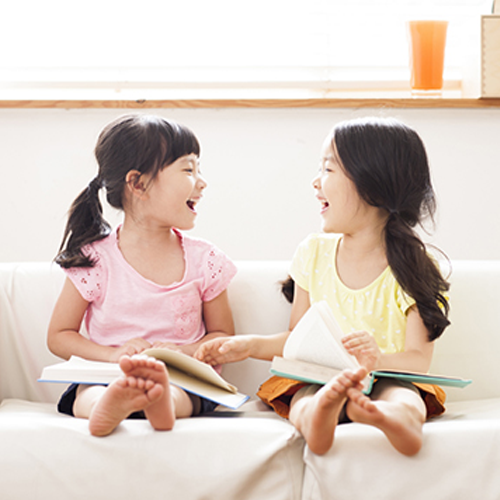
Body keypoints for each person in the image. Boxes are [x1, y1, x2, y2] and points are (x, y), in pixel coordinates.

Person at [196, 117, 450, 457]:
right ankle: (318, 418)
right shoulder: (313, 252)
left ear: (373, 183)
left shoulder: (414, 266)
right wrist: (249, 345)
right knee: (304, 396)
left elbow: (418, 359)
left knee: (404, 395)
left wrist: (376, 360)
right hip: (319, 377)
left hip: (387, 376)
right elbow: (296, 340)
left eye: (328, 170)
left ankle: (395, 419)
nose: (316, 182)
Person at [47, 114, 237, 436]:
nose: (201, 182)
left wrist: (182, 352)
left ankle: (161, 403)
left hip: (180, 376)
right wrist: (113, 355)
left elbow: (223, 336)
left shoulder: (205, 260)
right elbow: (59, 335)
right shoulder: (95, 260)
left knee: (180, 394)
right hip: (110, 375)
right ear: (137, 184)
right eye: (188, 170)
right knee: (88, 394)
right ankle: (107, 407)